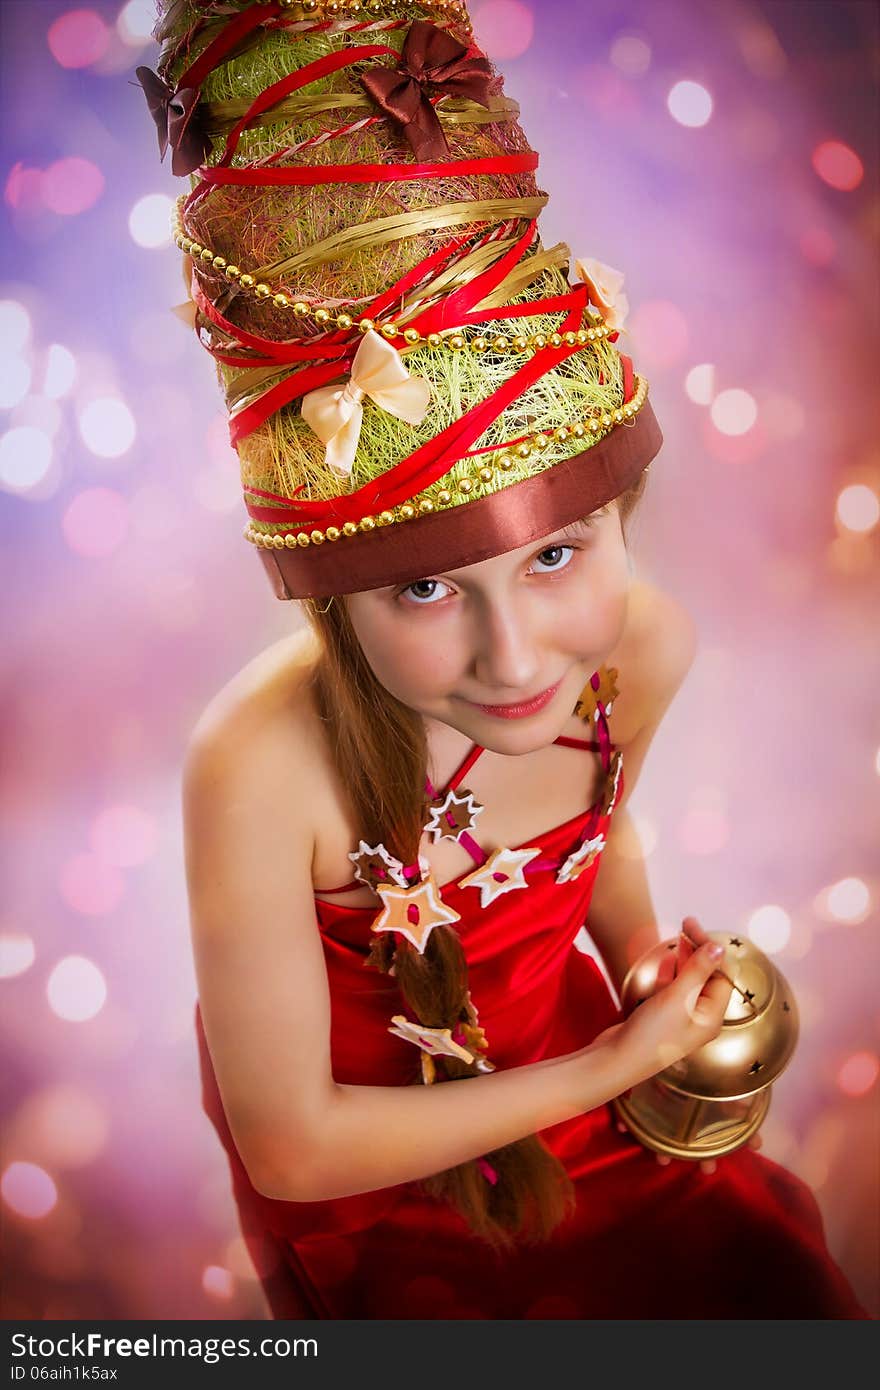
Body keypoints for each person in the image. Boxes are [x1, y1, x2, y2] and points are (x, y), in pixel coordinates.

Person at [144, 0, 869, 1318]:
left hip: (575, 1096)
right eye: (425, 583)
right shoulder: (255, 772)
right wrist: (613, 1066)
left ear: (618, 518)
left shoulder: (642, 648)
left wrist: (649, 958)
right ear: (334, 588)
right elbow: (296, 1141)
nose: (515, 652)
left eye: (554, 555)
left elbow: (598, 834)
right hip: (387, 1190)